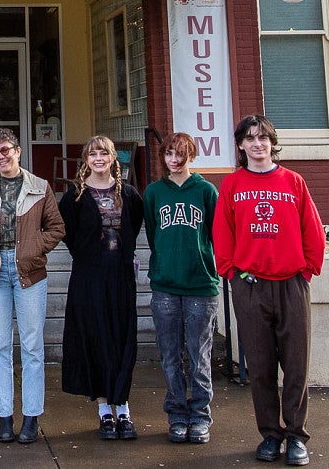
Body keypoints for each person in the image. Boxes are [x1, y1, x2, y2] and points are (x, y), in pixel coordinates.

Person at [213, 115, 325, 466]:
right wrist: (232, 273)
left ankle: (295, 435)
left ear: (271, 143)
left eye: (263, 137)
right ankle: (270, 435)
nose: (258, 144)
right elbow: (222, 233)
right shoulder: (232, 185)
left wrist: (306, 270)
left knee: (296, 364)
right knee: (260, 367)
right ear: (241, 145)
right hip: (250, 286)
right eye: (250, 138)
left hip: (291, 283)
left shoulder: (293, 181)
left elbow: (313, 229)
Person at [0, 127, 65, 444]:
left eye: (5, 150)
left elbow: (56, 227)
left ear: (18, 151)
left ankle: (31, 417)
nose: (1, 156)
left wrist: (34, 248)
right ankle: (5, 416)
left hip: (30, 273)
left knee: (33, 347)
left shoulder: (40, 186)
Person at [58, 135, 144, 441]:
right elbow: (67, 233)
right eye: (92, 154)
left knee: (121, 337)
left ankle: (124, 409)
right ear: (85, 159)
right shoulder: (75, 197)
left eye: (103, 153)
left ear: (112, 159)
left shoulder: (130, 195)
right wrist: (86, 257)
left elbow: (133, 228)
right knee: (97, 338)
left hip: (120, 276)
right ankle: (105, 410)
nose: (98, 158)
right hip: (89, 276)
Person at [142, 132, 220, 445]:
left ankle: (200, 416)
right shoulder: (154, 193)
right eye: (169, 154)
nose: (174, 160)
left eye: (180, 154)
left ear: (191, 156)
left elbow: (216, 235)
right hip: (165, 285)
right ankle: (176, 413)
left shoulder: (205, 191)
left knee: (199, 355)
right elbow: (152, 233)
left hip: (200, 284)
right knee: (170, 355)